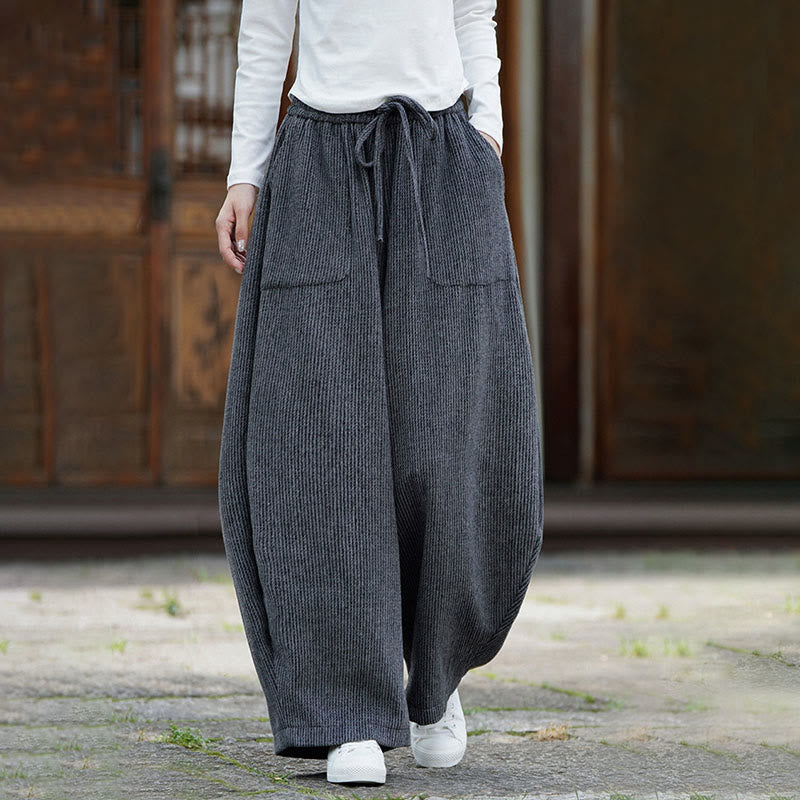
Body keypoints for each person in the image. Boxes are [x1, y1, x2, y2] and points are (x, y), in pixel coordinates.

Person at [215, 0, 544, 787]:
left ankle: (435, 681)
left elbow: (474, 15)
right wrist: (245, 172)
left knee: (445, 432)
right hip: (317, 164)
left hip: (443, 152)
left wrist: (488, 132)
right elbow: (266, 30)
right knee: (322, 442)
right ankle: (347, 714)